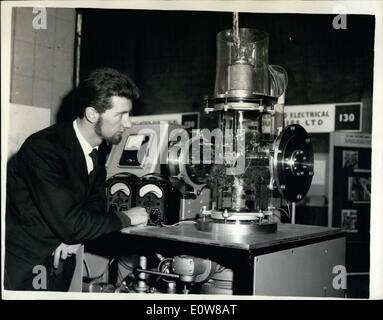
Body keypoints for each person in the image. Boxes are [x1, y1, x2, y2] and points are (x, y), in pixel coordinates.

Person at [5, 68, 148, 291]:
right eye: (121, 114)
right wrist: (126, 218)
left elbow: (95, 203)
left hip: (61, 256)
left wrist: (73, 238)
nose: (128, 123)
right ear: (92, 114)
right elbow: (71, 223)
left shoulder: (98, 147)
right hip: (26, 265)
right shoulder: (43, 149)